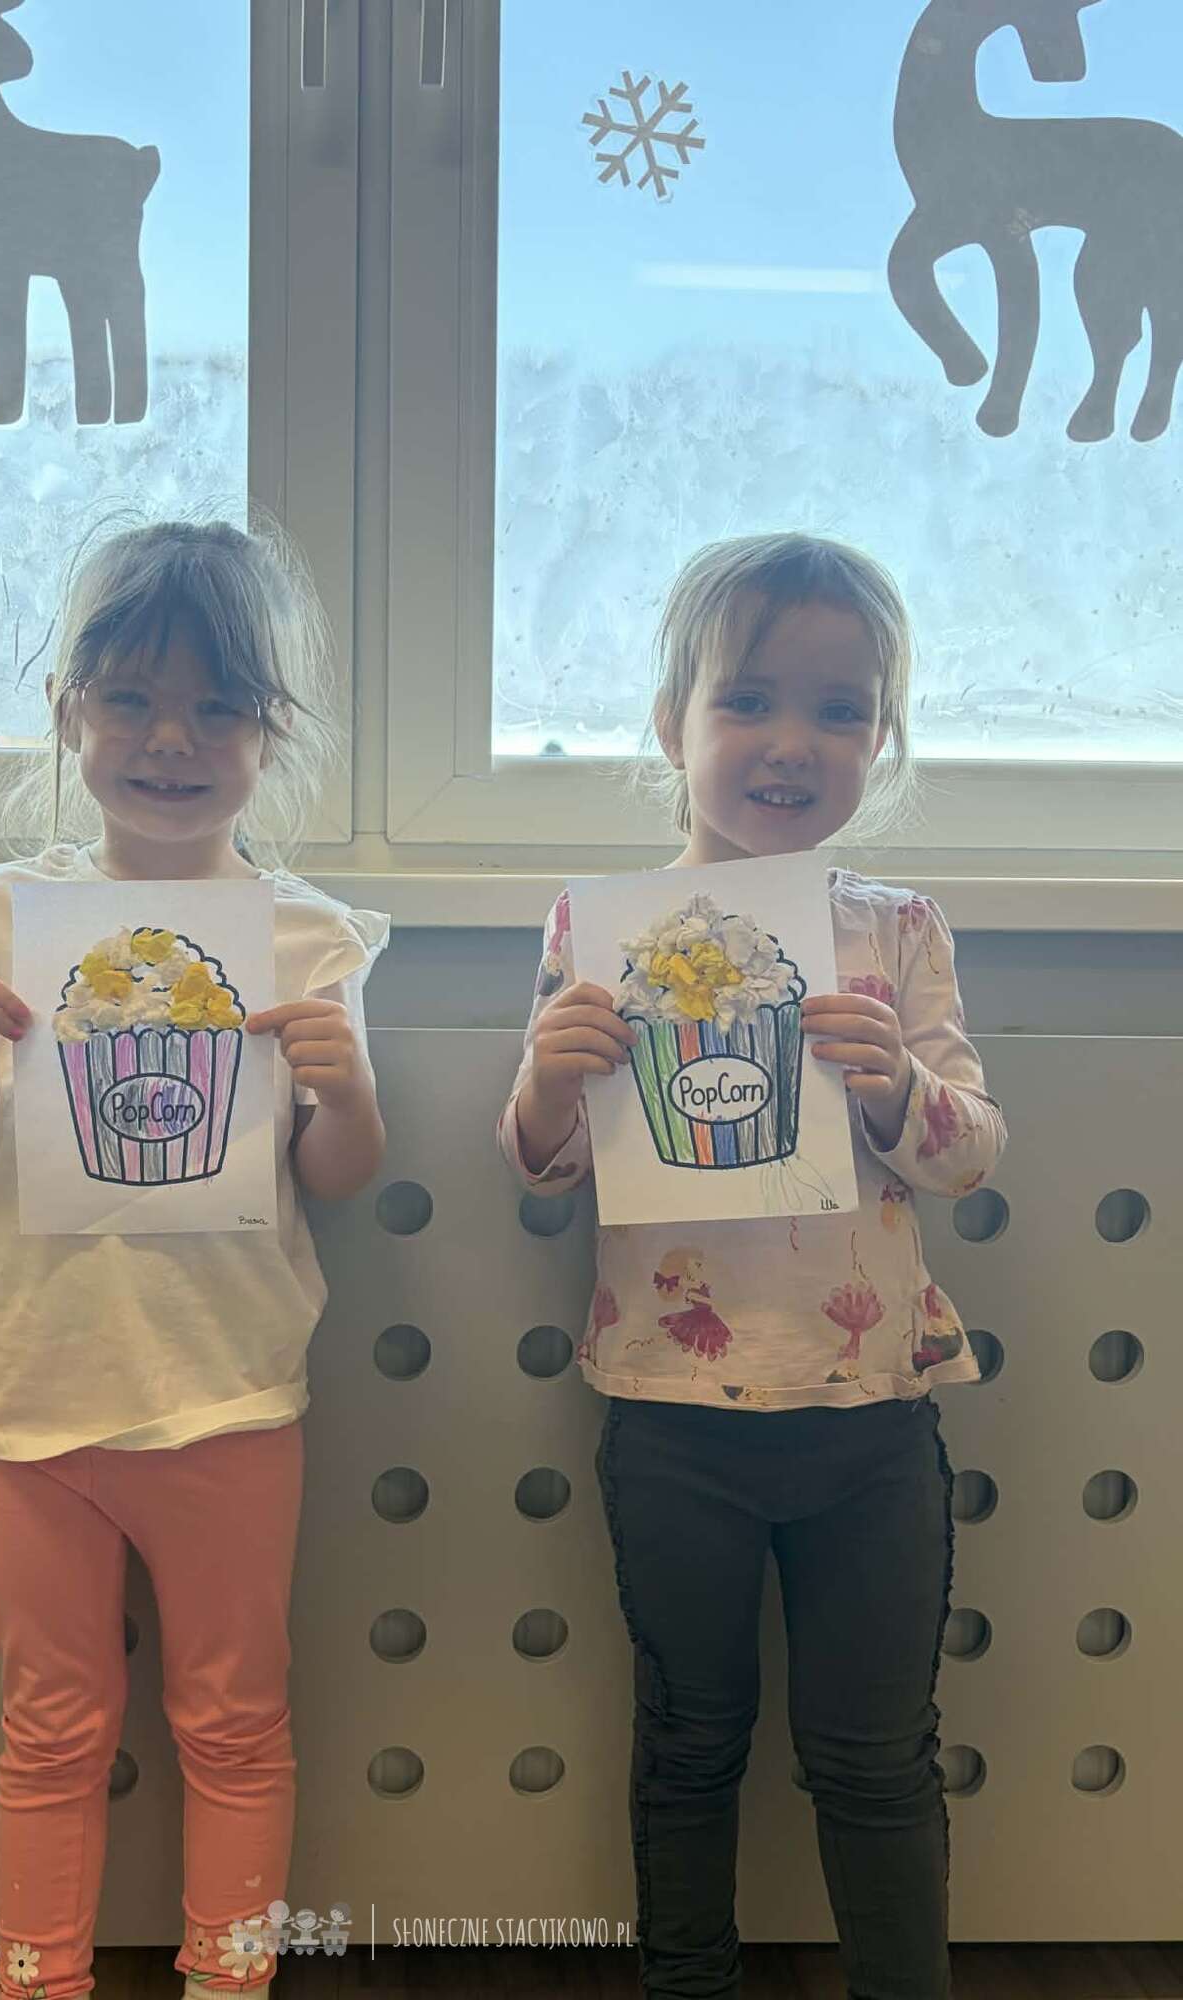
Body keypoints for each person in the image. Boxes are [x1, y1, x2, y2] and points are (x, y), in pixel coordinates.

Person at [500, 533, 1006, 2000]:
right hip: (672, 1416)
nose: (794, 741)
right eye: (749, 700)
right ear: (674, 723)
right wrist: (550, 1074)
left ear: (881, 741)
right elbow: (543, 1165)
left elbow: (972, 1151)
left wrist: (896, 1085)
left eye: (841, 711)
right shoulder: (599, 932)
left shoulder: (895, 933)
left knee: (876, 1753)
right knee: (688, 1738)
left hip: (871, 1417)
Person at [0, 519, 388, 1997]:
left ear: (269, 733)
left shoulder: (303, 939)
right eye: (130, 700)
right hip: (43, 1398)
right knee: (51, 1726)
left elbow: (337, 1177)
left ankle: (229, 1978)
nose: (171, 739)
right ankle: (39, 1978)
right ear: (70, 712)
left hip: (229, 1393)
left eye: (217, 707)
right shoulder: (8, 916)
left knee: (234, 1722)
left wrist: (349, 1093)